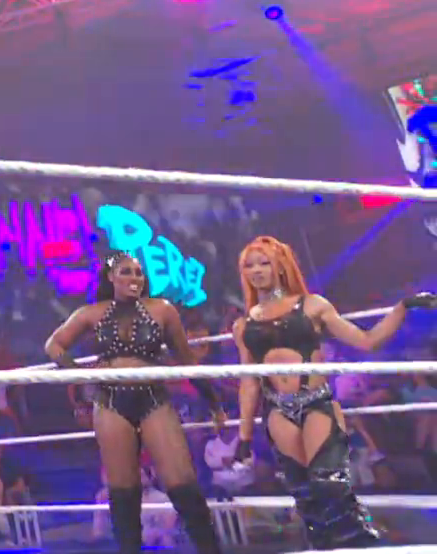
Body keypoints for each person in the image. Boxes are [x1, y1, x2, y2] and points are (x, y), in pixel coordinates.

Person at [231, 235, 434, 548]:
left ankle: (364, 544)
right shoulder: (242, 325)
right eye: (249, 265)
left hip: (316, 403)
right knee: (306, 496)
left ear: (280, 266)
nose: (256, 270)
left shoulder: (312, 305)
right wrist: (244, 437)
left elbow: (367, 341)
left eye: (263, 263)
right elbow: (248, 382)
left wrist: (402, 308)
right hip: (277, 409)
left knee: (330, 484)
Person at [43, 252, 225, 554]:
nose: (134, 278)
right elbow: (54, 344)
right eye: (126, 272)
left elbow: (186, 361)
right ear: (110, 277)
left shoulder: (162, 309)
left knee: (182, 482)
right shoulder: (91, 313)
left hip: (153, 396)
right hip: (110, 401)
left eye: (139, 273)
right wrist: (80, 373)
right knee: (123, 490)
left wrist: (214, 403)